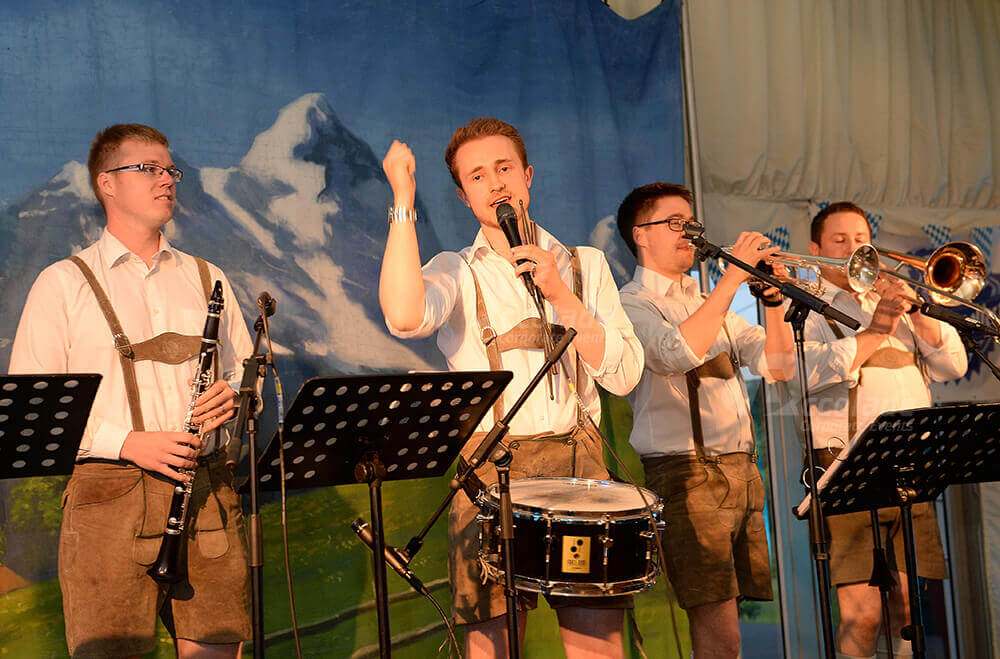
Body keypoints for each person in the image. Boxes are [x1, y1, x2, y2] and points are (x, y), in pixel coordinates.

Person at [378, 117, 643, 657]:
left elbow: (624, 374)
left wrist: (563, 296)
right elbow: (404, 317)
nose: (494, 183)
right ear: (463, 195)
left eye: (503, 169)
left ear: (527, 176)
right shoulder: (457, 270)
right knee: (491, 648)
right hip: (489, 474)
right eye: (478, 176)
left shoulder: (583, 264)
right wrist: (403, 199)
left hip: (580, 468)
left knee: (599, 649)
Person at [9, 124, 253, 658]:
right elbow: (37, 414)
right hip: (107, 499)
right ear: (107, 184)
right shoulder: (63, 283)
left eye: (170, 170)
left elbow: (239, 376)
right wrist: (125, 442)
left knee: (218, 648)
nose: (165, 179)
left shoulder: (209, 278)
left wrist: (232, 399)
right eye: (148, 168)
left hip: (205, 490)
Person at [615, 182, 795, 658]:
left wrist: (774, 302)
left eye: (692, 223)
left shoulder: (707, 301)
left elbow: (779, 367)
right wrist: (733, 280)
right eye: (675, 223)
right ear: (640, 235)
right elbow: (675, 353)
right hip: (689, 477)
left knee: (730, 628)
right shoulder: (630, 303)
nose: (689, 232)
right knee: (720, 633)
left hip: (742, 473)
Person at [796, 202, 967, 659]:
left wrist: (918, 312)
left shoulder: (899, 300)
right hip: (847, 468)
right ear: (815, 251)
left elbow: (954, 364)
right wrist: (877, 326)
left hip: (912, 467)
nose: (854, 249)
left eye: (860, 239)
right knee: (862, 614)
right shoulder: (811, 310)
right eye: (840, 241)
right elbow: (809, 374)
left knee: (908, 607)